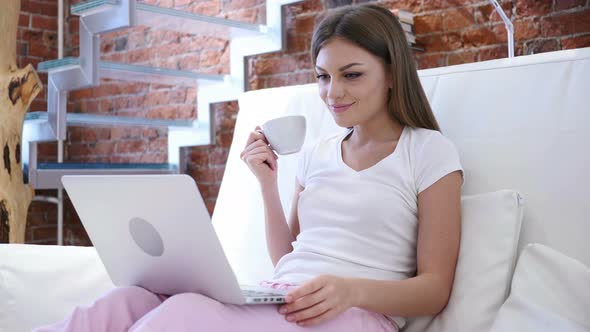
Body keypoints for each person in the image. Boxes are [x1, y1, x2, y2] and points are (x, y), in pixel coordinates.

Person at [35, 4, 462, 332]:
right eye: (323, 76)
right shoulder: (318, 152)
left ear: (392, 73)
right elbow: (288, 257)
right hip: (284, 296)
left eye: (351, 75)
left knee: (186, 313)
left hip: (355, 315)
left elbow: (435, 289)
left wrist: (350, 289)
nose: (333, 93)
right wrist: (267, 184)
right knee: (126, 300)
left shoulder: (427, 152)